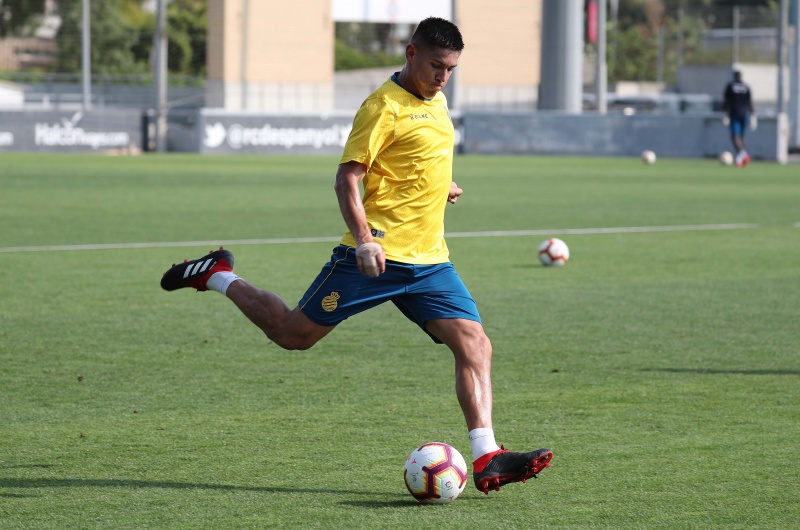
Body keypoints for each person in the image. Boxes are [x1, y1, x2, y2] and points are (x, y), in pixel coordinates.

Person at [160, 17, 552, 495]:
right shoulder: (381, 106)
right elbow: (347, 178)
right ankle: (218, 274)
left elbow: (414, 159)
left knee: (475, 344)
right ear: (411, 54)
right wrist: (365, 239)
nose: (443, 77)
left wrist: (439, 186)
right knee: (292, 335)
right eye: (436, 65)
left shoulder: (438, 100)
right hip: (375, 257)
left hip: (430, 261)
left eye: (450, 68)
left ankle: (488, 455)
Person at [722, 69, 755, 167]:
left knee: (735, 137)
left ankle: (744, 155)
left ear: (734, 77)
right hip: (744, 114)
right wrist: (753, 115)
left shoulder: (731, 86)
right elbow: (750, 102)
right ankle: (740, 159)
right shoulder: (746, 87)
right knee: (741, 137)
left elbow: (726, 100)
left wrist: (723, 112)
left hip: (734, 114)